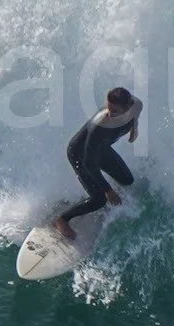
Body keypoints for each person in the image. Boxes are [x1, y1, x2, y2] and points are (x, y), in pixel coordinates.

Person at [54, 86, 140, 242]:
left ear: (127, 108)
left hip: (101, 150)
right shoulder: (100, 126)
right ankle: (62, 219)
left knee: (127, 180)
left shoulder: (136, 106)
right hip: (80, 154)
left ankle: (99, 191)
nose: (110, 113)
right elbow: (88, 163)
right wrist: (108, 190)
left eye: (115, 110)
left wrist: (134, 127)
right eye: (108, 108)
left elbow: (136, 112)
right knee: (99, 199)